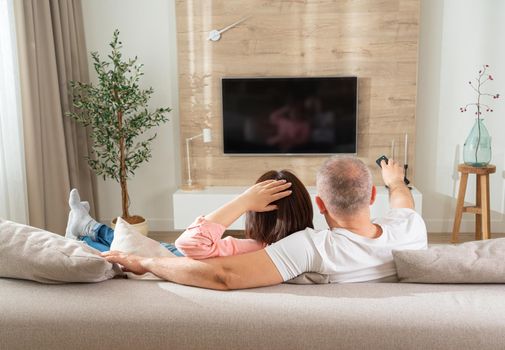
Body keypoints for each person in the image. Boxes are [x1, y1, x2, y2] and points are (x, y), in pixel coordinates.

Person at [102, 156, 427, 290]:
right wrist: (395, 181)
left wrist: (145, 262)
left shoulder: (314, 248)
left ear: (320, 204)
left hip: (181, 254)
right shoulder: (411, 227)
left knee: (159, 248)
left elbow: (224, 275)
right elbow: (403, 200)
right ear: (372, 195)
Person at [66, 170, 314, 259]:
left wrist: (242, 201)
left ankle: (85, 231)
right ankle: (85, 230)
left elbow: (186, 244)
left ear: (257, 215)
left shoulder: (250, 249)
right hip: (185, 255)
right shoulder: (310, 244)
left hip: (178, 258)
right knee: (144, 242)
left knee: (139, 244)